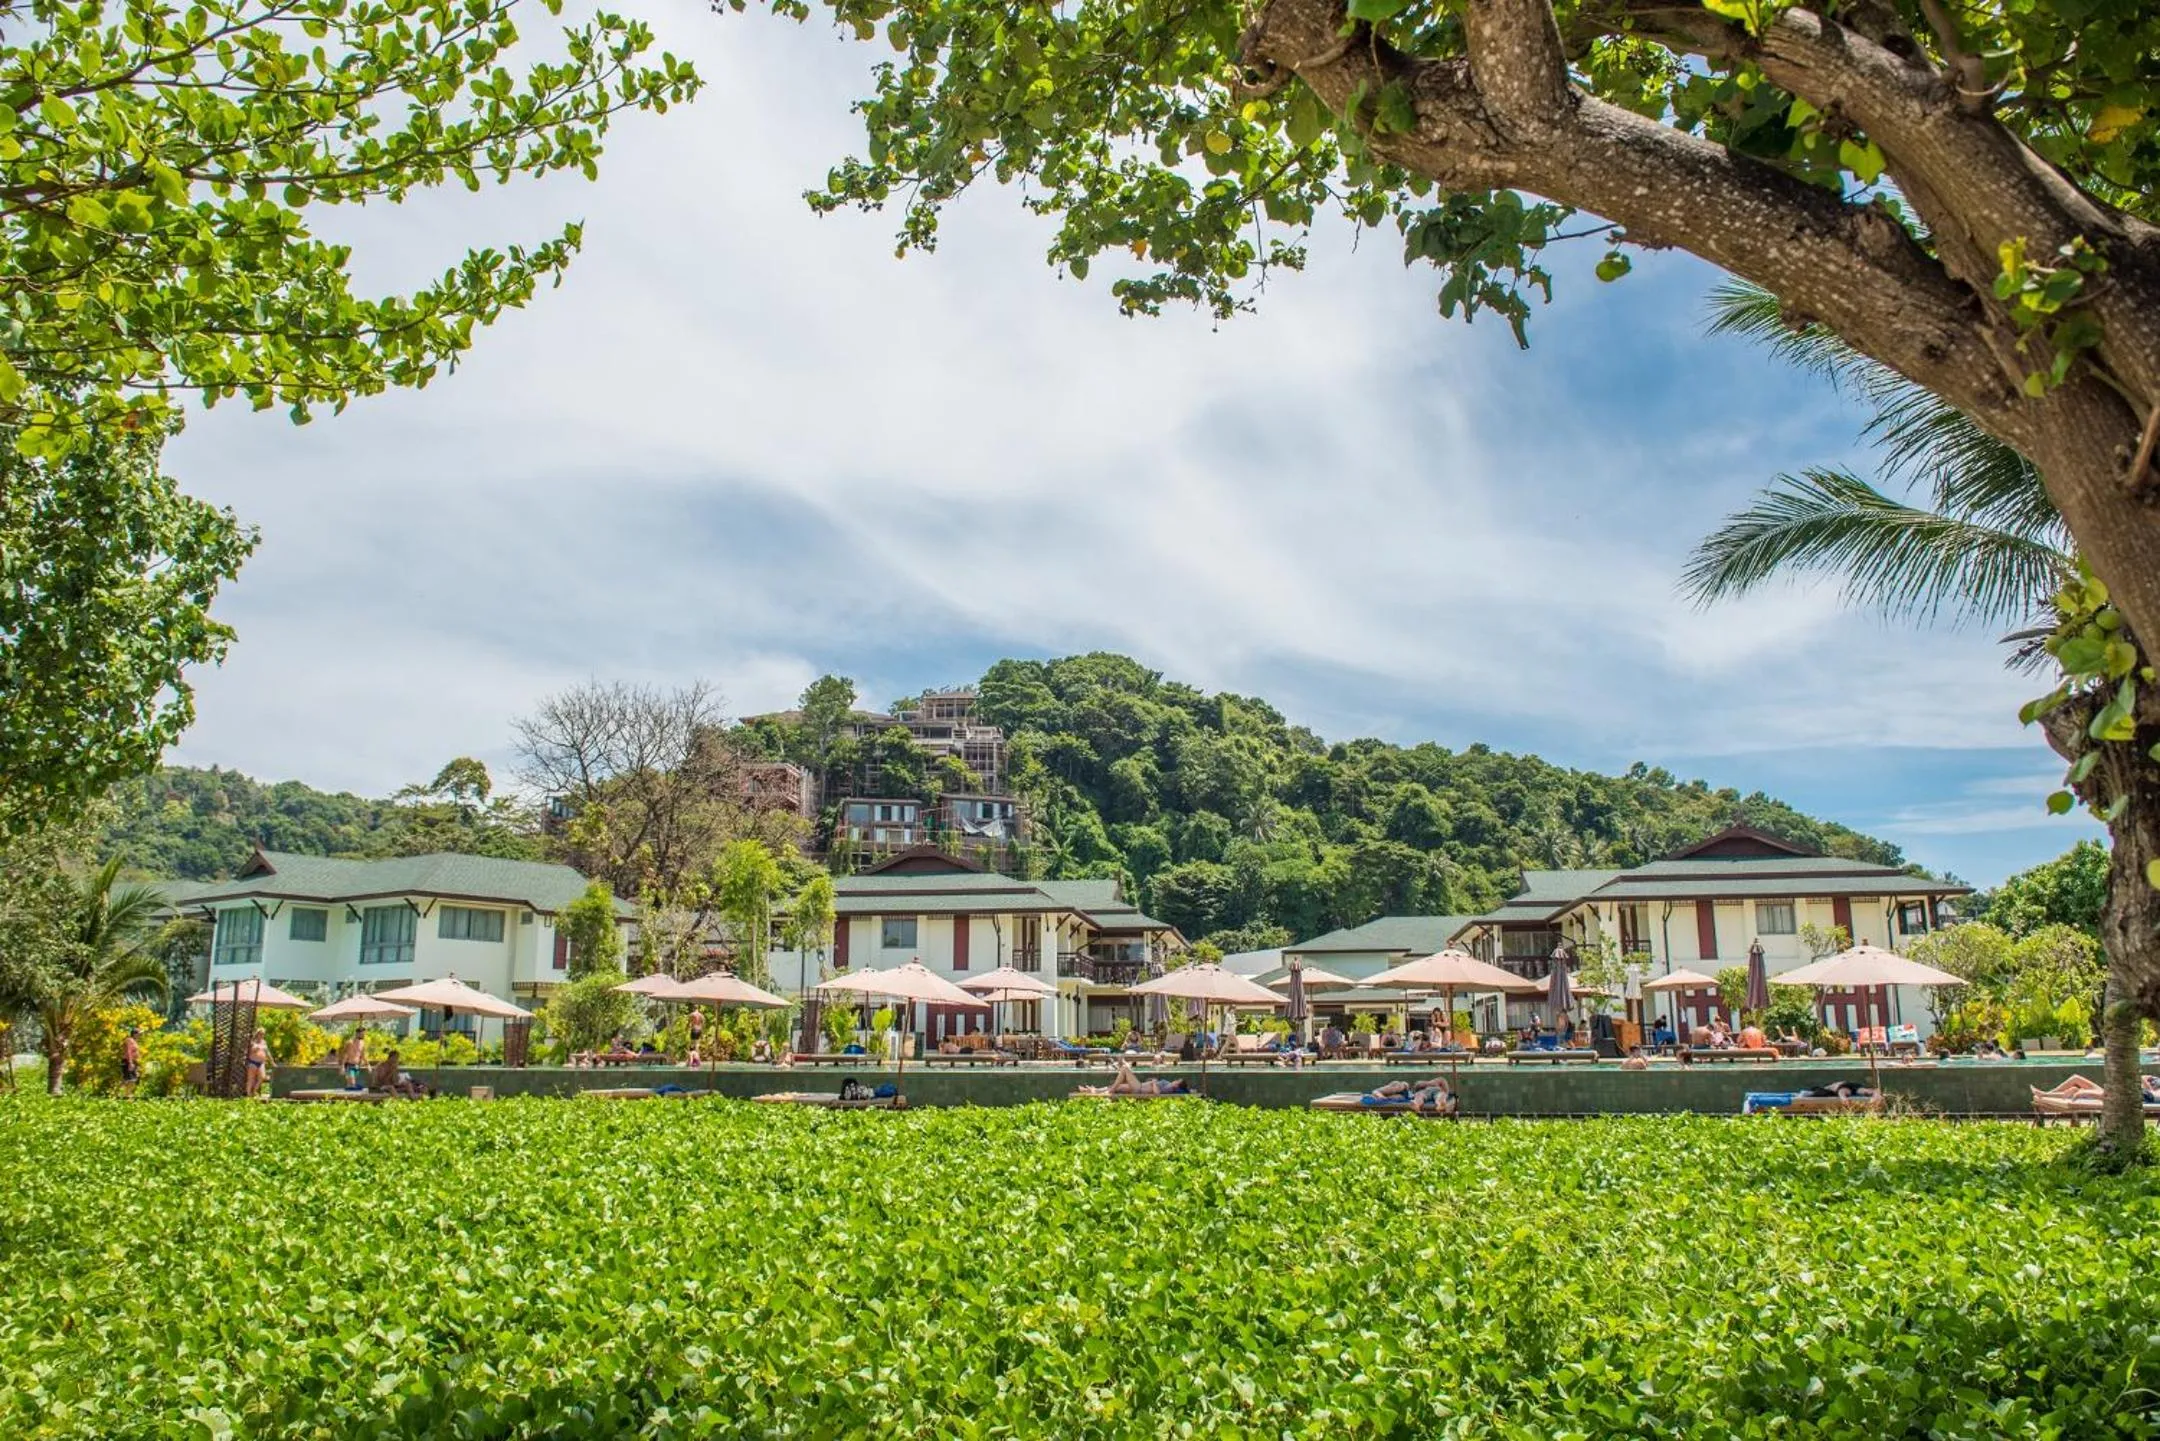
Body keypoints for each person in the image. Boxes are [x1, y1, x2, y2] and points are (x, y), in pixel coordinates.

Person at [244, 1028, 269, 1098]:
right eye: (260, 1034)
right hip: (253, 1062)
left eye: (263, 1034)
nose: (262, 1035)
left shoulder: (264, 1042)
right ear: (257, 1034)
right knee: (251, 1079)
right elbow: (248, 1052)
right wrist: (255, 1049)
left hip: (261, 1063)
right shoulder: (253, 1042)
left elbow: (267, 1052)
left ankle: (254, 1090)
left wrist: (272, 1062)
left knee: (262, 1077)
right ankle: (248, 1095)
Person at [120, 1026, 142, 1098]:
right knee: (130, 1079)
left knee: (133, 1078)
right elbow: (128, 1051)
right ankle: (126, 1095)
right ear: (135, 1034)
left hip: (133, 1062)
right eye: (139, 1034)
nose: (140, 1035)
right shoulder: (129, 1040)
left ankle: (126, 1094)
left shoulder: (134, 1041)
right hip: (128, 1061)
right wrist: (130, 1063)